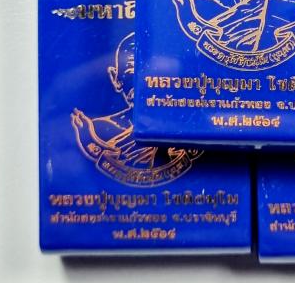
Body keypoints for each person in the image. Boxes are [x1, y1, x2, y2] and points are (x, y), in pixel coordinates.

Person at [71, 32, 200, 181]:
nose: (143, 83)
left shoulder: (189, 126)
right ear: (115, 78)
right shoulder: (98, 128)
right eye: (131, 73)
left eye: (154, 74)